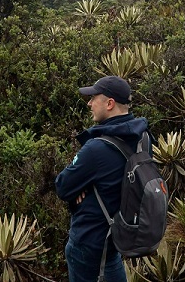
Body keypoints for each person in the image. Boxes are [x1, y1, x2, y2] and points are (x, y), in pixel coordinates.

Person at [55, 76, 149, 282]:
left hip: (88, 243)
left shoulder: (97, 148)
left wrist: (83, 187)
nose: (89, 103)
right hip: (115, 239)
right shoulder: (142, 138)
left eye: (93, 98)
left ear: (109, 103)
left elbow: (62, 186)